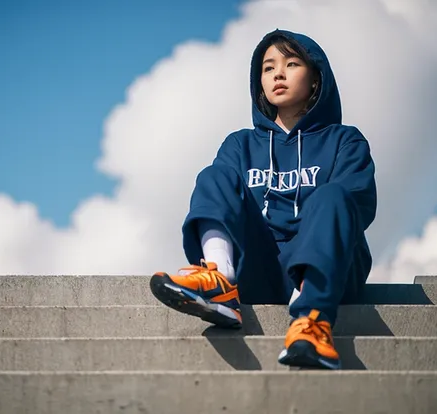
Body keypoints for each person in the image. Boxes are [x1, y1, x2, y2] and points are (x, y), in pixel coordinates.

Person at [149, 28, 377, 370]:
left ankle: (312, 320)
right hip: (261, 269)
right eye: (268, 68)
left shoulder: (345, 140)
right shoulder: (239, 145)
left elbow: (358, 202)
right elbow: (218, 199)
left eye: (292, 64)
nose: (278, 74)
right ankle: (219, 281)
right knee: (215, 175)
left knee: (333, 194)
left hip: (331, 272)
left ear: (316, 79)